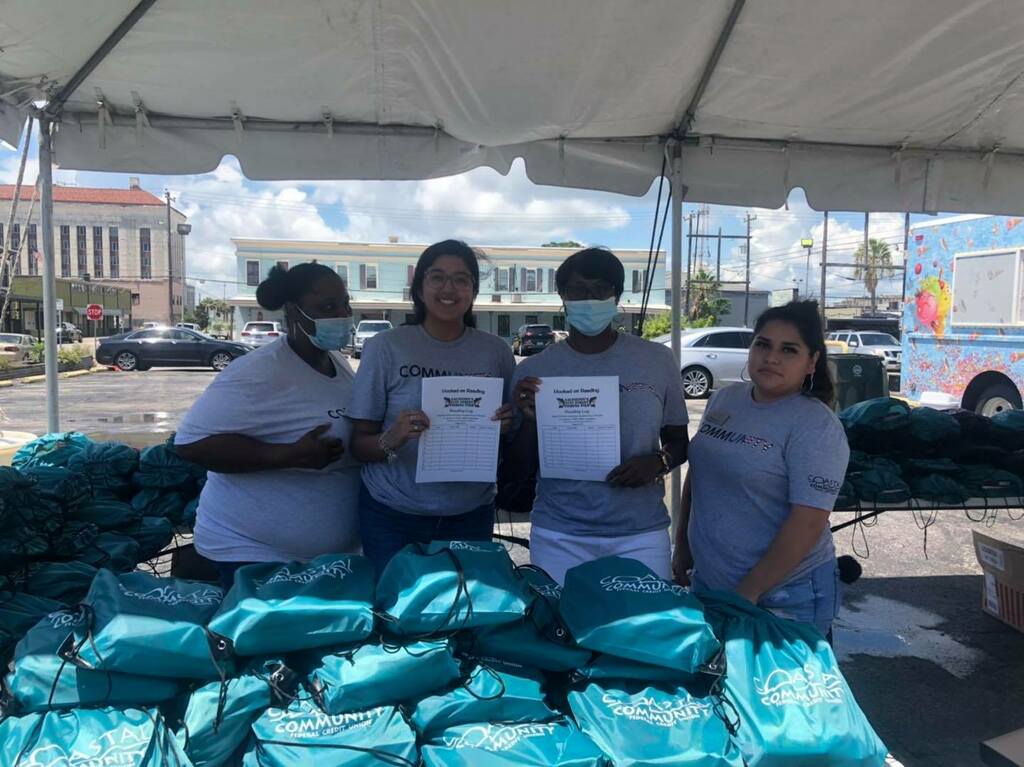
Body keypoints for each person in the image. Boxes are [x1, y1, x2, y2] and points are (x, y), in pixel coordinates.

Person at [510, 247, 690, 584]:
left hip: (640, 533)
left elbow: (679, 441)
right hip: (559, 533)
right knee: (561, 630)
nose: (588, 300)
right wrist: (530, 421)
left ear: (616, 296)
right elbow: (518, 465)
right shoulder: (536, 371)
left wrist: (658, 462)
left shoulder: (656, 360)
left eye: (600, 290)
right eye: (577, 291)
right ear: (562, 296)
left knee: (644, 631)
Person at [175, 263, 360, 589]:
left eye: (344, 304)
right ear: (293, 312)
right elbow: (191, 444)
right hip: (254, 553)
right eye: (327, 307)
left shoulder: (339, 364)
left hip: (327, 559)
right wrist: (288, 455)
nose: (342, 314)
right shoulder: (257, 371)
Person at [673, 300, 849, 638]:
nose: (771, 357)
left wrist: (749, 592)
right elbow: (700, 474)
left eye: (789, 350)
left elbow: (808, 521)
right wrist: (682, 545)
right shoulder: (725, 400)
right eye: (763, 344)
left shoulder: (815, 425)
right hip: (712, 584)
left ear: (811, 362)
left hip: (784, 597)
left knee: (778, 690)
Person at [347, 240, 516, 572]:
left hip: (470, 513)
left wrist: (506, 425)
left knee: (464, 613)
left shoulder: (495, 352)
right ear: (420, 288)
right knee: (396, 613)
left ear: (473, 291)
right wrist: (392, 437)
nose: (449, 288)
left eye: (461, 279)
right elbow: (357, 445)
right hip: (392, 515)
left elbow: (512, 439)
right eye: (437, 277)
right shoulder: (385, 347)